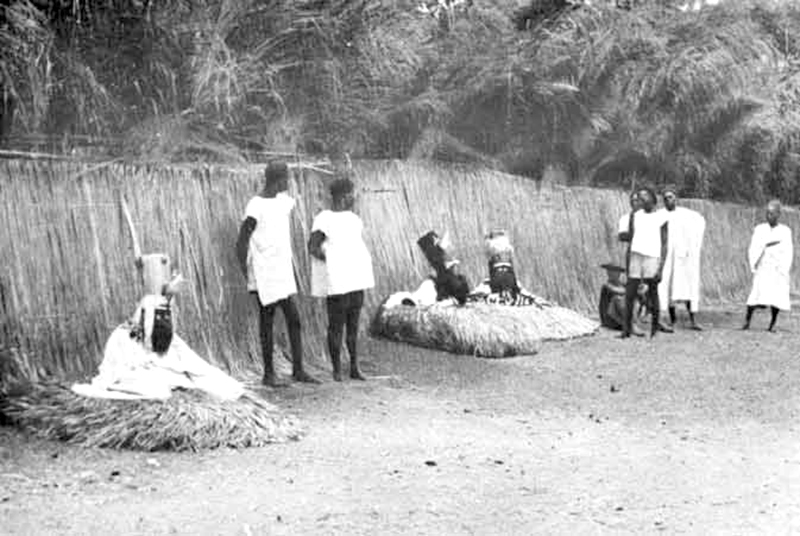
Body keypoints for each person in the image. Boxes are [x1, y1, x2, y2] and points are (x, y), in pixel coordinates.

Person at [236, 161, 319, 386]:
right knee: (267, 320)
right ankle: (269, 374)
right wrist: (247, 270)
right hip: (264, 272)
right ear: (278, 180)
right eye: (286, 179)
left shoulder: (282, 202)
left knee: (294, 319)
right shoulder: (256, 205)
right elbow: (242, 240)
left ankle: (298, 370)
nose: (288, 182)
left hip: (280, 271)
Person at [308, 176, 375, 381]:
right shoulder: (324, 218)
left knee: (353, 324)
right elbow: (313, 247)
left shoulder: (354, 219)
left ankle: (354, 366)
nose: (354, 197)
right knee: (336, 324)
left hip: (356, 278)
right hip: (338, 280)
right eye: (352, 194)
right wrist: (332, 263)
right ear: (344, 196)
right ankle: (337, 369)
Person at [621, 186, 670, 338]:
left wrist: (660, 268)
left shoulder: (661, 216)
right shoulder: (635, 216)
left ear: (652, 199)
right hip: (636, 256)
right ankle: (626, 330)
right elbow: (630, 240)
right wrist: (628, 263)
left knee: (653, 293)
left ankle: (654, 330)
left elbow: (664, 244)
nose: (641, 199)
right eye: (640, 197)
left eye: (645, 196)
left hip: (652, 257)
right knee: (630, 293)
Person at [657, 186, 706, 330]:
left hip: (683, 257)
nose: (668, 200)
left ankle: (693, 320)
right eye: (665, 198)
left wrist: (691, 246)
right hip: (666, 257)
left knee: (688, 285)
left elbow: (700, 222)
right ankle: (672, 319)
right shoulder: (659, 215)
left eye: (671, 197)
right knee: (667, 285)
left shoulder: (686, 214)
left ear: (676, 198)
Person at [742, 200, 793, 332]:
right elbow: (754, 246)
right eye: (767, 213)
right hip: (763, 266)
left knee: (776, 297)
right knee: (756, 295)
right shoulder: (760, 229)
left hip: (776, 268)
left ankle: (772, 324)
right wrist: (755, 262)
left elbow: (788, 250)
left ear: (778, 214)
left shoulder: (785, 231)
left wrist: (783, 267)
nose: (768, 216)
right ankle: (747, 322)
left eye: (771, 213)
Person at [599, 263, 645, 336]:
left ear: (619, 273)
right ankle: (631, 326)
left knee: (637, 297)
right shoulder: (606, 285)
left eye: (614, 271)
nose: (611, 273)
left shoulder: (623, 284)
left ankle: (635, 322)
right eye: (610, 271)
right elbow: (617, 291)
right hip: (610, 320)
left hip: (620, 320)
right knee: (618, 298)